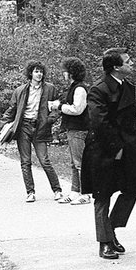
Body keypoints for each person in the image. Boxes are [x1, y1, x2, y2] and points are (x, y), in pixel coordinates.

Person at [81, 48, 136, 260]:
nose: (132, 63)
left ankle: (110, 230)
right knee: (103, 195)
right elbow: (99, 123)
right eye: (128, 61)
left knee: (133, 189)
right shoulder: (98, 90)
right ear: (116, 67)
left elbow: (130, 120)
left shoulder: (129, 87)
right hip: (104, 150)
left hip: (129, 147)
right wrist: (117, 148)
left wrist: (130, 147)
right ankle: (104, 242)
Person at [0, 61, 63, 202]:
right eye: (36, 71)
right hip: (24, 128)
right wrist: (3, 125)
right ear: (30, 73)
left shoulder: (50, 89)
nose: (39, 74)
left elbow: (56, 107)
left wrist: (49, 119)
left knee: (44, 160)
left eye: (40, 71)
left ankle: (57, 190)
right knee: (25, 161)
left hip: (40, 127)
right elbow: (12, 109)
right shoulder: (20, 90)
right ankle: (30, 192)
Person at [49, 57, 92, 205]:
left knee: (80, 162)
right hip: (72, 129)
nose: (64, 74)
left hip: (79, 129)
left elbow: (77, 109)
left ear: (71, 72)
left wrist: (59, 106)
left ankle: (86, 194)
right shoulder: (74, 87)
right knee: (74, 163)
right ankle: (75, 191)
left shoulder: (80, 89)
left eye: (65, 71)